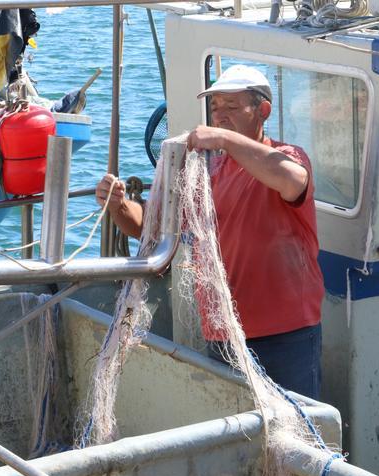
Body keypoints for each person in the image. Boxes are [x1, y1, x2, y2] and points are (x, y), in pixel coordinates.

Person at [95, 65, 324, 399]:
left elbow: (292, 180)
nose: (220, 116)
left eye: (231, 107)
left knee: (298, 435)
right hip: (223, 337)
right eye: (215, 109)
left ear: (263, 111)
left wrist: (223, 139)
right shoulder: (209, 174)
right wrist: (117, 204)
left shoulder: (287, 156)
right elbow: (149, 228)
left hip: (287, 335)